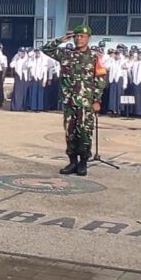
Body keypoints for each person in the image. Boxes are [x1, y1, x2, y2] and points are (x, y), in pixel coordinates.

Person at [42, 26, 106, 177]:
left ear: (88, 38)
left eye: (82, 36)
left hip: (86, 102)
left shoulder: (95, 57)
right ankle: (72, 161)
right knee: (70, 132)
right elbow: (46, 49)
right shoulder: (66, 55)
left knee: (84, 133)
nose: (79, 39)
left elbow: (101, 79)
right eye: (77, 36)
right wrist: (60, 40)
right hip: (69, 101)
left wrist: (97, 100)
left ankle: (83, 162)